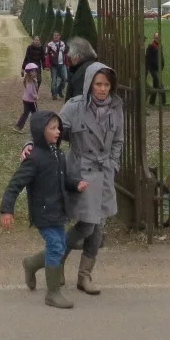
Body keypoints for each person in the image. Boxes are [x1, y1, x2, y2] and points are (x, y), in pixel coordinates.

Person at [1, 110, 86, 309]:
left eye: (58, 127)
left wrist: (75, 184)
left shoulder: (58, 154)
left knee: (59, 246)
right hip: (43, 212)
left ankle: (31, 264)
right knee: (56, 247)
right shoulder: (34, 158)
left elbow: (63, 179)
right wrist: (7, 209)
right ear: (41, 131)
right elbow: (15, 184)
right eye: (53, 128)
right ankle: (53, 293)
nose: (58, 132)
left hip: (58, 210)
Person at [58, 42, 123, 296]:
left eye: (106, 85)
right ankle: (55, 260)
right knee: (86, 226)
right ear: (89, 85)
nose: (102, 89)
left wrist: (114, 164)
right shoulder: (75, 106)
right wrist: (33, 145)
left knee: (99, 228)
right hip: (83, 172)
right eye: (98, 84)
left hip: (104, 172)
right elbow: (53, 128)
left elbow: (118, 140)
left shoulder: (116, 108)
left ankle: (85, 275)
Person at [15, 62, 41, 130]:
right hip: (31, 101)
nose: (35, 72)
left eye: (35, 71)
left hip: (26, 100)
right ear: (29, 72)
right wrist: (35, 96)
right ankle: (38, 127)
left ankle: (18, 126)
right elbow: (30, 92)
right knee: (35, 114)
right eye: (33, 71)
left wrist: (35, 80)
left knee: (26, 114)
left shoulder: (32, 79)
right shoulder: (29, 81)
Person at [44, 32, 67, 99]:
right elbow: (46, 55)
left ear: (59, 36)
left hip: (62, 64)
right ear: (53, 36)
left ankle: (59, 90)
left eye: (57, 35)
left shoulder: (63, 43)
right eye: (55, 35)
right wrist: (47, 65)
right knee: (54, 80)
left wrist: (67, 63)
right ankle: (54, 94)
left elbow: (65, 53)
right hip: (54, 65)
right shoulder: (49, 44)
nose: (56, 36)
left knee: (65, 78)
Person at [144, 32, 164, 106]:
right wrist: (148, 67)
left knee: (156, 85)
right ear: (154, 38)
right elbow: (147, 57)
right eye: (157, 37)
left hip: (158, 68)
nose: (158, 39)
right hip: (153, 68)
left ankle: (152, 102)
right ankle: (163, 102)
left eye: (159, 37)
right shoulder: (151, 46)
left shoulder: (160, 45)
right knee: (160, 85)